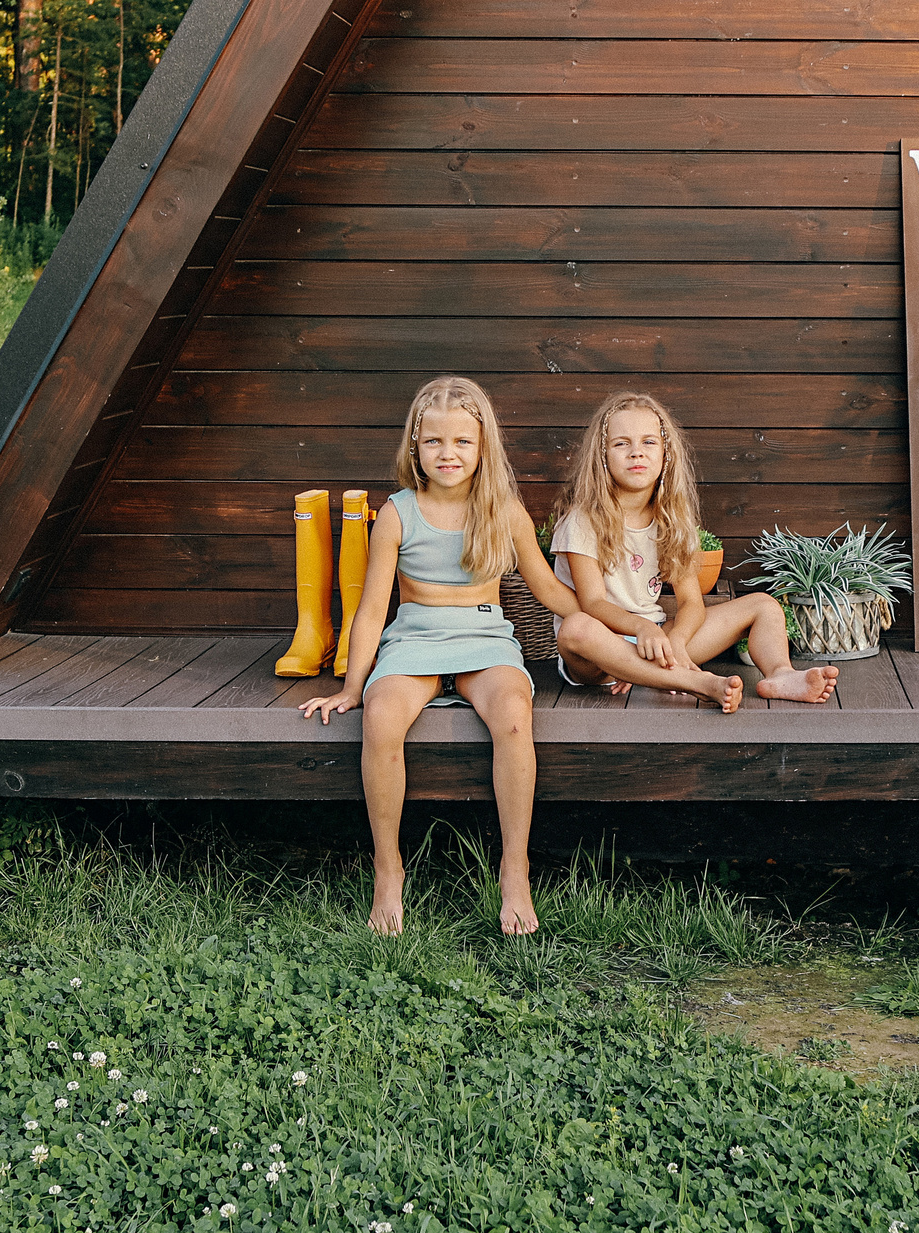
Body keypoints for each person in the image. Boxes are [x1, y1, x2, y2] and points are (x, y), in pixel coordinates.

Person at [298, 376, 579, 937]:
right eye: (434, 443)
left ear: (483, 448)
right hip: (414, 643)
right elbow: (374, 611)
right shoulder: (398, 514)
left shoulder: (504, 511)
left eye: (463, 443)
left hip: (486, 641)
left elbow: (553, 593)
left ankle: (515, 870)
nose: (448, 454)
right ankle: (388, 870)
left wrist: (619, 633)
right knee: (380, 718)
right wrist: (354, 688)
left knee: (515, 716)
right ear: (414, 447)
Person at [548, 391, 840, 709]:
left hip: (659, 640)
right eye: (621, 443)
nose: (636, 454)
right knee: (575, 628)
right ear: (602, 455)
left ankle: (781, 674)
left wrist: (675, 641)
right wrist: (641, 628)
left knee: (764, 606)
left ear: (666, 454)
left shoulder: (672, 519)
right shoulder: (582, 520)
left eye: (649, 442)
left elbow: (691, 603)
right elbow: (592, 603)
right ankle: (693, 682)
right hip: (604, 651)